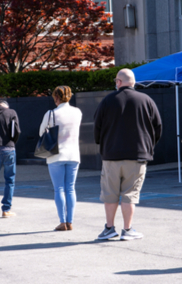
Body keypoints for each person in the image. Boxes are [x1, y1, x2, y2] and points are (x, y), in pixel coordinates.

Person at [94, 68, 162, 240]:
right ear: (134, 83)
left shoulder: (107, 101)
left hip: (111, 155)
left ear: (118, 82)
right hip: (137, 155)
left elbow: (97, 127)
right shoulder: (146, 100)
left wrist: (103, 144)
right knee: (130, 194)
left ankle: (109, 228)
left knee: (110, 194)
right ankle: (127, 229)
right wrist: (149, 145)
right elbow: (158, 127)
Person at [39, 86, 82, 231]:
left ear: (56, 97)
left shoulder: (51, 113)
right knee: (71, 188)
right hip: (74, 154)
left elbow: (41, 133)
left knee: (59, 189)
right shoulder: (77, 112)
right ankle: (70, 222)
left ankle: (62, 222)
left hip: (56, 155)